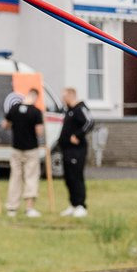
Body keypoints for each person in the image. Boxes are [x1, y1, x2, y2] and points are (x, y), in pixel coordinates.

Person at [3, 89, 45, 219]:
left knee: (15, 177)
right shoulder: (36, 112)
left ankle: (12, 208)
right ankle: (29, 208)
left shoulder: (14, 108)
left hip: (16, 148)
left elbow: (5, 125)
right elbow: (39, 132)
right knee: (31, 177)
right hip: (31, 149)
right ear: (36, 97)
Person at [58, 87, 91, 218]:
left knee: (76, 177)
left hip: (77, 151)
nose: (62, 99)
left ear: (70, 96)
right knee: (69, 178)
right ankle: (73, 204)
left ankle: (81, 205)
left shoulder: (80, 108)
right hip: (66, 150)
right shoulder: (69, 111)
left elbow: (90, 122)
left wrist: (78, 135)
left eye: (64, 96)